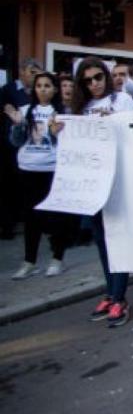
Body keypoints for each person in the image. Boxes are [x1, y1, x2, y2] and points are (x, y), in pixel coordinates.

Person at [64, 57, 133, 327]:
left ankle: (120, 297)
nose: (94, 84)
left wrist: (115, 123)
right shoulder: (79, 108)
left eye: (98, 77)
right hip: (91, 184)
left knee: (118, 238)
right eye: (87, 80)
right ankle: (110, 292)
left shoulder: (122, 101)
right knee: (101, 241)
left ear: (106, 77)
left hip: (118, 181)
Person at [6, 72, 73, 279]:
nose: (43, 89)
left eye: (47, 85)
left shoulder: (62, 112)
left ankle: (57, 259)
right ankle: (29, 261)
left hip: (52, 170)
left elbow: (69, 144)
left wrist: (56, 133)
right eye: (39, 86)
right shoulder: (26, 111)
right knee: (31, 218)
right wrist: (18, 125)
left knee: (55, 217)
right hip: (28, 169)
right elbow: (16, 142)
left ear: (55, 89)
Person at [0, 57, 41, 239]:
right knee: (7, 187)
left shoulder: (37, 93)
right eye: (32, 73)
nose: (35, 77)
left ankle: (24, 221)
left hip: (29, 148)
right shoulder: (7, 91)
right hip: (8, 147)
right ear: (22, 72)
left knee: (25, 187)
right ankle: (7, 226)